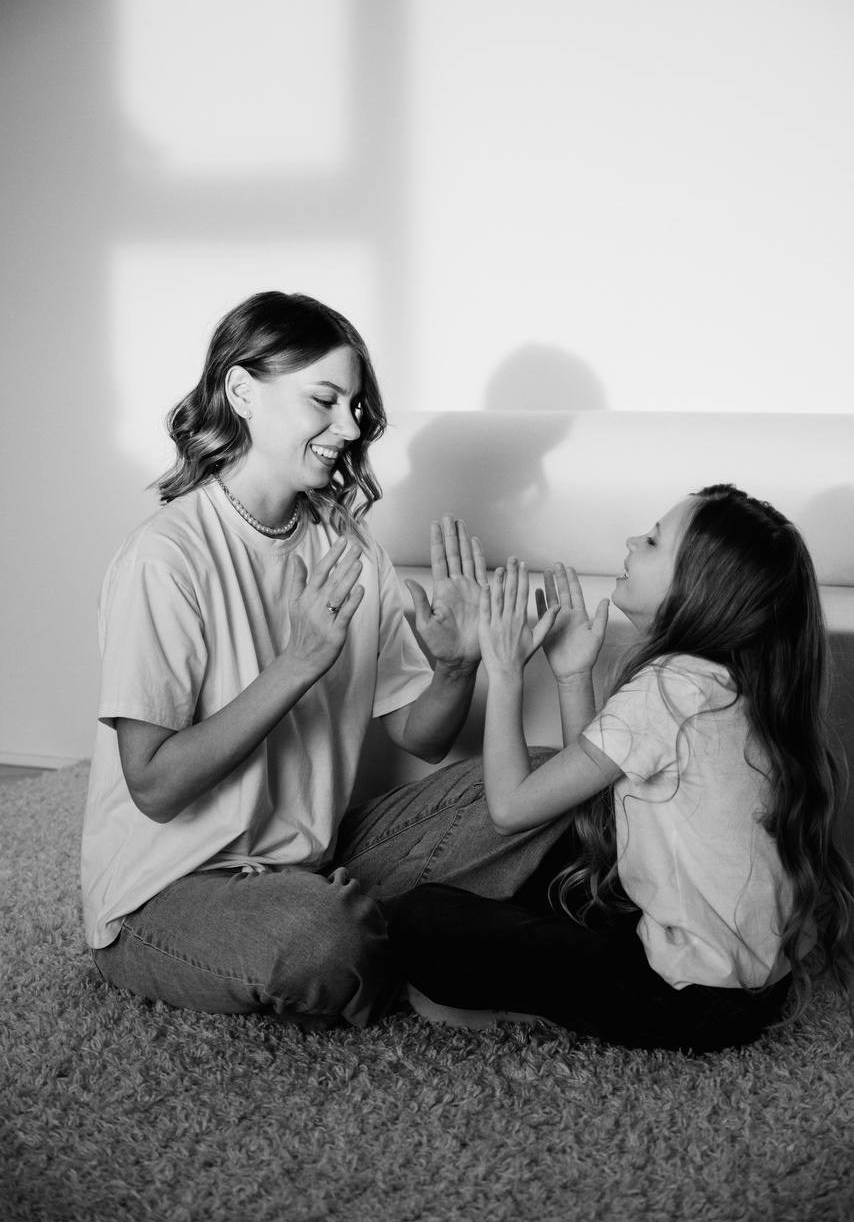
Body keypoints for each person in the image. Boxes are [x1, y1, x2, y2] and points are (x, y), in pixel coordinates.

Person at [81, 290, 569, 1028]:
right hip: (169, 892)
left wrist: (456, 667)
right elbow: (153, 786)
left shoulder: (346, 547)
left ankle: (384, 923)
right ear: (242, 391)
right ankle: (405, 942)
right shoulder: (167, 557)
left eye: (356, 406)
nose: (348, 427)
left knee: (542, 778)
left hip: (316, 859)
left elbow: (421, 736)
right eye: (325, 400)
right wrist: (297, 662)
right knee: (318, 937)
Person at [388, 485, 854, 1052]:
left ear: (699, 587)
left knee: (420, 919)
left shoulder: (670, 686)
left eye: (655, 540)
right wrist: (571, 677)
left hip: (686, 999)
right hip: (750, 991)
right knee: (566, 861)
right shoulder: (724, 683)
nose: (635, 539)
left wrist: (505, 670)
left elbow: (510, 810)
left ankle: (527, 1010)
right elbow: (594, 806)